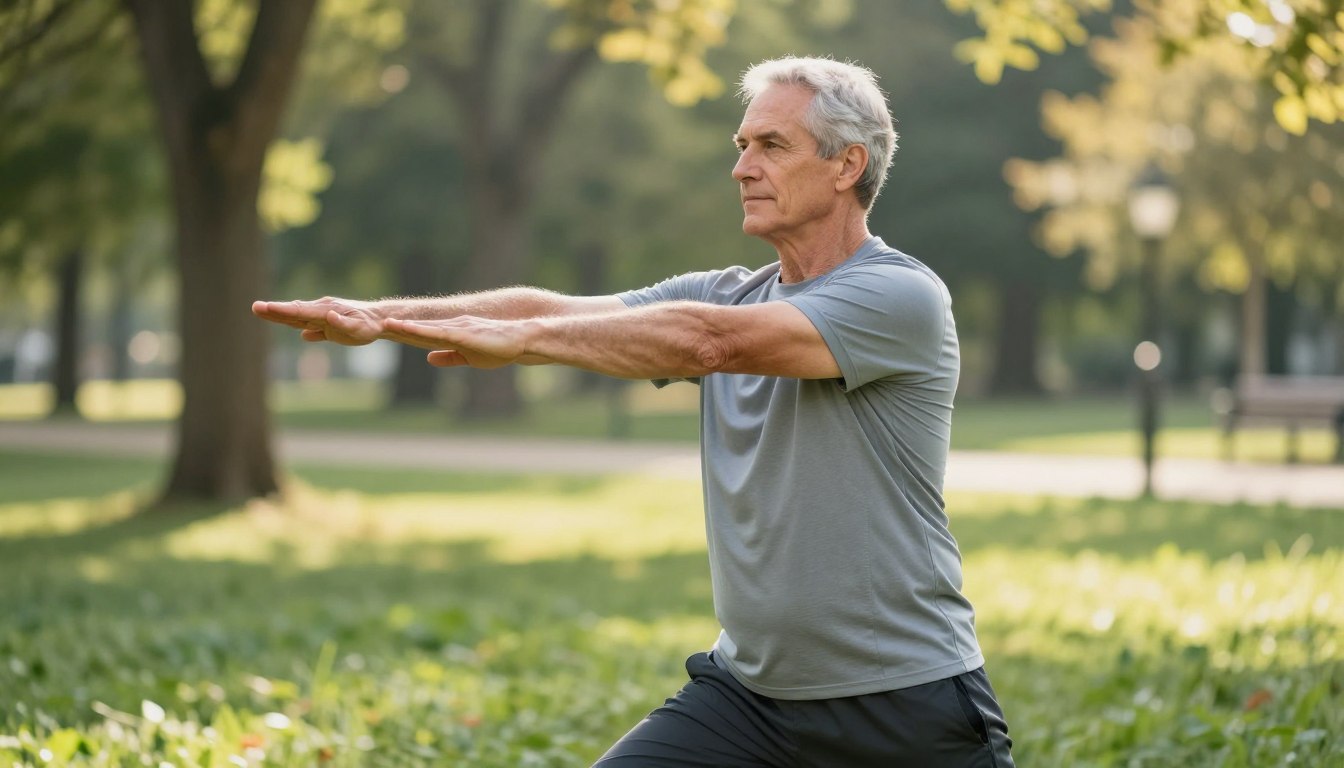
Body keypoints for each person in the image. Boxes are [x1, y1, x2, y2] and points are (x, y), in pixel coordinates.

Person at [254, 55, 1014, 768]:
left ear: (847, 165)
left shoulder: (898, 296)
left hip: (903, 704)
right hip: (749, 701)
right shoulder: (728, 291)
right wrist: (382, 319)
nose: (742, 167)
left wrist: (524, 342)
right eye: (742, 145)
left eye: (772, 146)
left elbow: (709, 344)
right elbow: (554, 308)